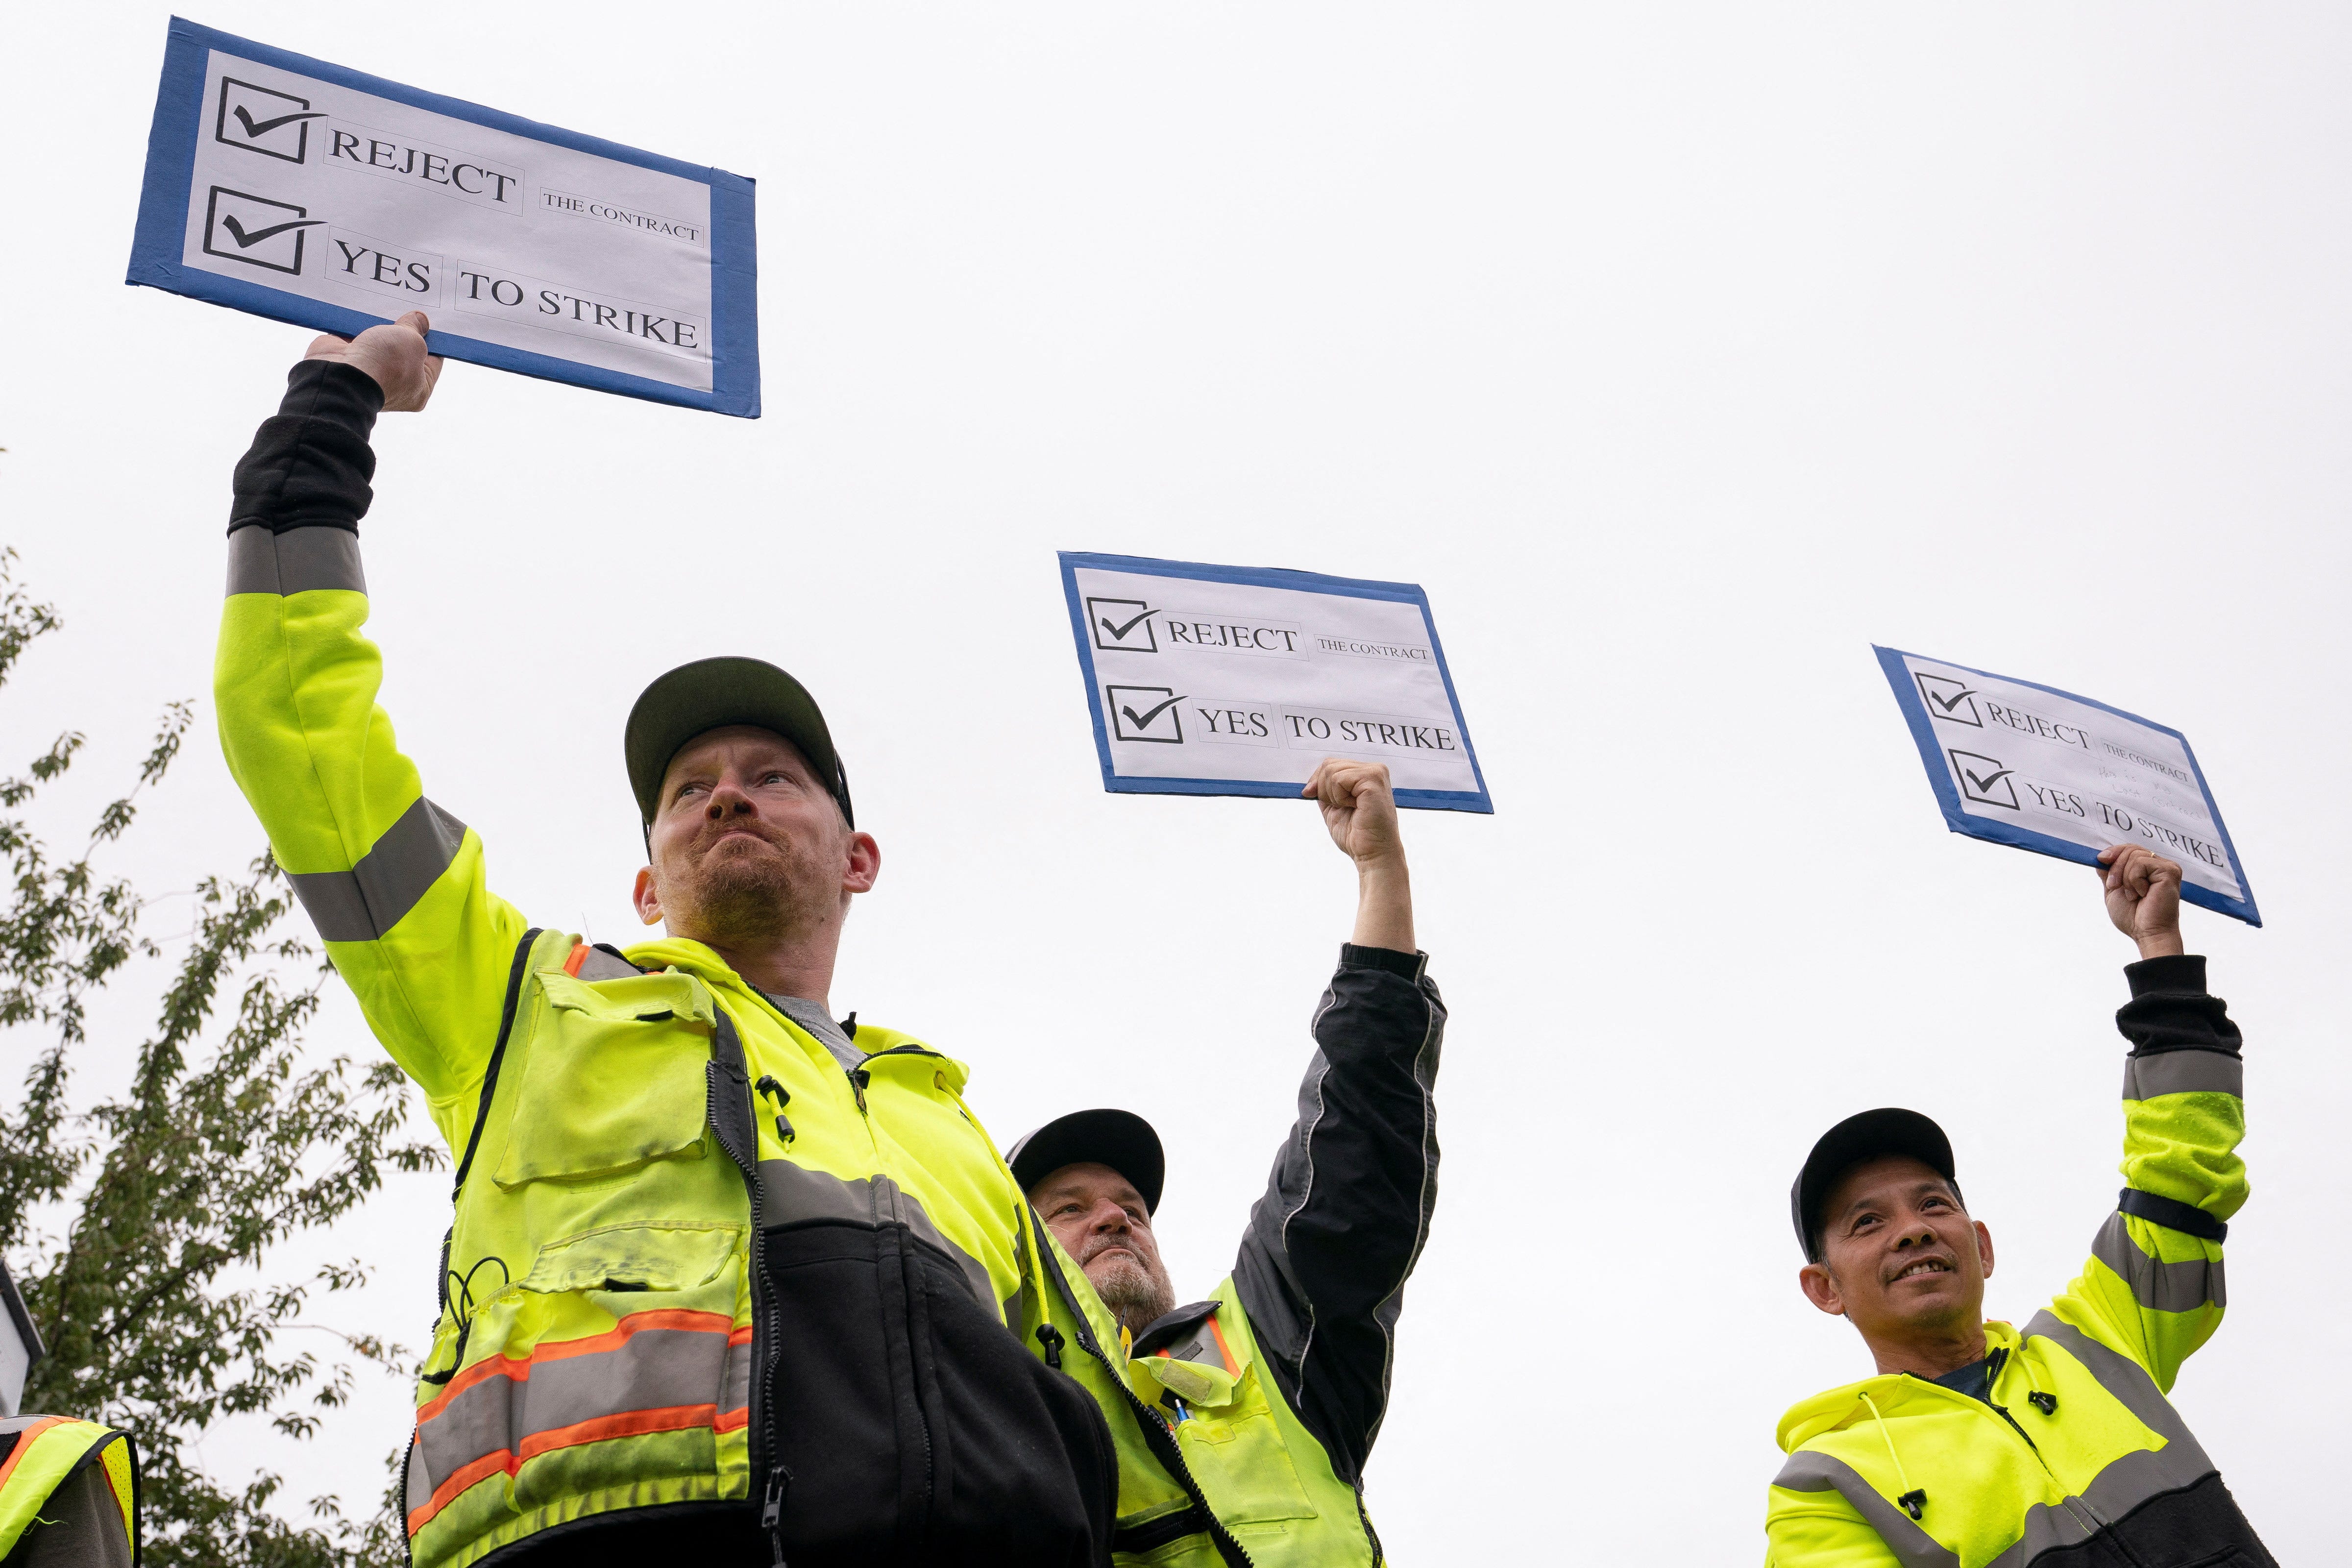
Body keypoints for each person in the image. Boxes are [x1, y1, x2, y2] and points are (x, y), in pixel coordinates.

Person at [215, 311, 1202, 1567]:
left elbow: (1121, 1461)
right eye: (689, 790)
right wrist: (330, 408)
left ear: (860, 860)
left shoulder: (953, 1133)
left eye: (775, 775)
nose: (728, 793)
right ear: (646, 885)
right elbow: (296, 730)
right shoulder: (524, 1006)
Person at [1767, 844, 2273, 1567]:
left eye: (1933, 1205)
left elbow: (2183, 1172)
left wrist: (2159, 950)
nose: (1913, 1231)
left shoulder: (2098, 1341)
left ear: (1982, 1246)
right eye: (1868, 1222)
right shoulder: (1824, 1488)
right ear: (1825, 1289)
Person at [1009, 758, 1444, 1567]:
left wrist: (1380, 872)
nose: (1114, 1215)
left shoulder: (1267, 1352)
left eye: (1132, 1209)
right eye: (1066, 1208)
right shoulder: (984, 1397)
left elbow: (1355, 1152)